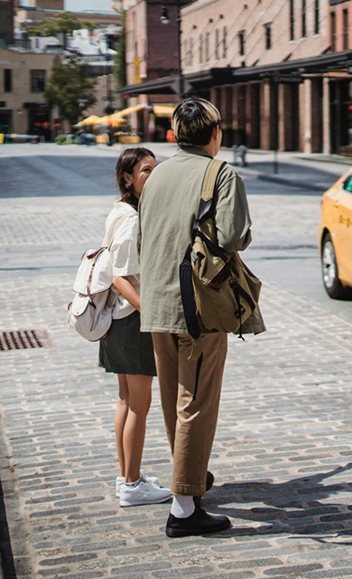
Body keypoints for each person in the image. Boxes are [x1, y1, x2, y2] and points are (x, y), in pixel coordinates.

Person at [139, 97, 264, 537]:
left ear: (175, 134)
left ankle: (188, 481)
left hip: (157, 303)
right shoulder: (221, 172)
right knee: (196, 402)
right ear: (215, 133)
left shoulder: (157, 175)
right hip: (198, 305)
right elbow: (232, 236)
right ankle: (184, 508)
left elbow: (144, 235)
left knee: (176, 397)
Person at [101, 147, 172, 508]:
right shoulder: (131, 218)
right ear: (128, 177)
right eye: (146, 171)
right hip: (132, 320)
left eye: (155, 170)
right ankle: (131, 484)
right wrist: (151, 314)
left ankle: (128, 475)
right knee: (139, 406)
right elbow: (120, 277)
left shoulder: (120, 210)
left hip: (119, 321)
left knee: (126, 401)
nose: (153, 176)